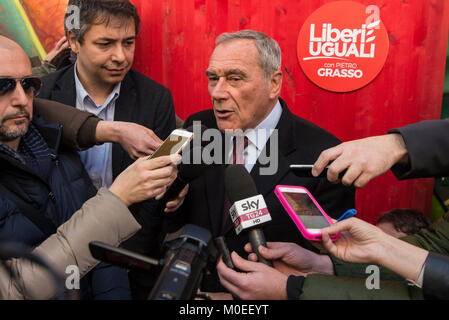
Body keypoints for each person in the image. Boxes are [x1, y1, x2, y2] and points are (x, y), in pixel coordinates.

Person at [167, 30, 355, 294]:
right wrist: (170, 195)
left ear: (274, 83)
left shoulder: (325, 155)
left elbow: (326, 262)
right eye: (213, 78)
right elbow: (164, 209)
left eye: (235, 78)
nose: (218, 93)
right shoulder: (196, 126)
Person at [0, 35, 176, 299]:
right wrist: (118, 199)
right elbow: (15, 289)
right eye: (3, 86)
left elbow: (102, 254)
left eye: (29, 84)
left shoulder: (56, 146)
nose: (21, 99)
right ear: (75, 41)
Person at [217, 119, 449, 300]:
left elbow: (422, 288)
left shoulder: (317, 142)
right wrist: (325, 265)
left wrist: (292, 289)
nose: (219, 92)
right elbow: (434, 249)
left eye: (235, 78)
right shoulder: (205, 131)